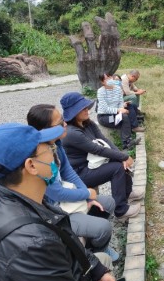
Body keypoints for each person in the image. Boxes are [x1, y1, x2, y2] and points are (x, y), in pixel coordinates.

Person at [0, 123, 116, 281]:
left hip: (60, 270)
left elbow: (66, 235)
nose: (54, 153)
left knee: (103, 262)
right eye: (49, 148)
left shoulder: (18, 198)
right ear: (31, 165)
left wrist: (96, 269)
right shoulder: (34, 242)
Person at [27, 104, 120, 262]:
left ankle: (94, 244)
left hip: (67, 199)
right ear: (43, 130)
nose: (65, 124)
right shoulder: (38, 156)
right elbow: (55, 192)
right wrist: (85, 194)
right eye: (59, 123)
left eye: (63, 119)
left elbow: (68, 172)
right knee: (104, 228)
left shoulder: (56, 144)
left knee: (108, 202)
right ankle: (97, 251)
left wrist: (88, 196)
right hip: (56, 212)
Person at [60, 92, 144, 223]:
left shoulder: (87, 123)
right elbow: (98, 149)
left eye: (86, 107)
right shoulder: (72, 133)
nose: (87, 110)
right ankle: (121, 210)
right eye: (82, 108)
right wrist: (124, 156)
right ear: (73, 112)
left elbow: (104, 140)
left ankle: (128, 193)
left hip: (92, 162)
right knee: (116, 168)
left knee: (118, 160)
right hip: (80, 173)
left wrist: (122, 157)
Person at [96, 74, 144, 150]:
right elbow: (104, 108)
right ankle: (127, 142)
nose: (109, 80)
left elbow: (120, 102)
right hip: (105, 117)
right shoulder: (101, 91)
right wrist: (118, 110)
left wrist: (122, 106)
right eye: (106, 79)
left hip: (116, 113)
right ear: (102, 82)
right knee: (124, 117)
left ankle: (135, 127)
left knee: (129, 106)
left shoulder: (118, 89)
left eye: (110, 77)